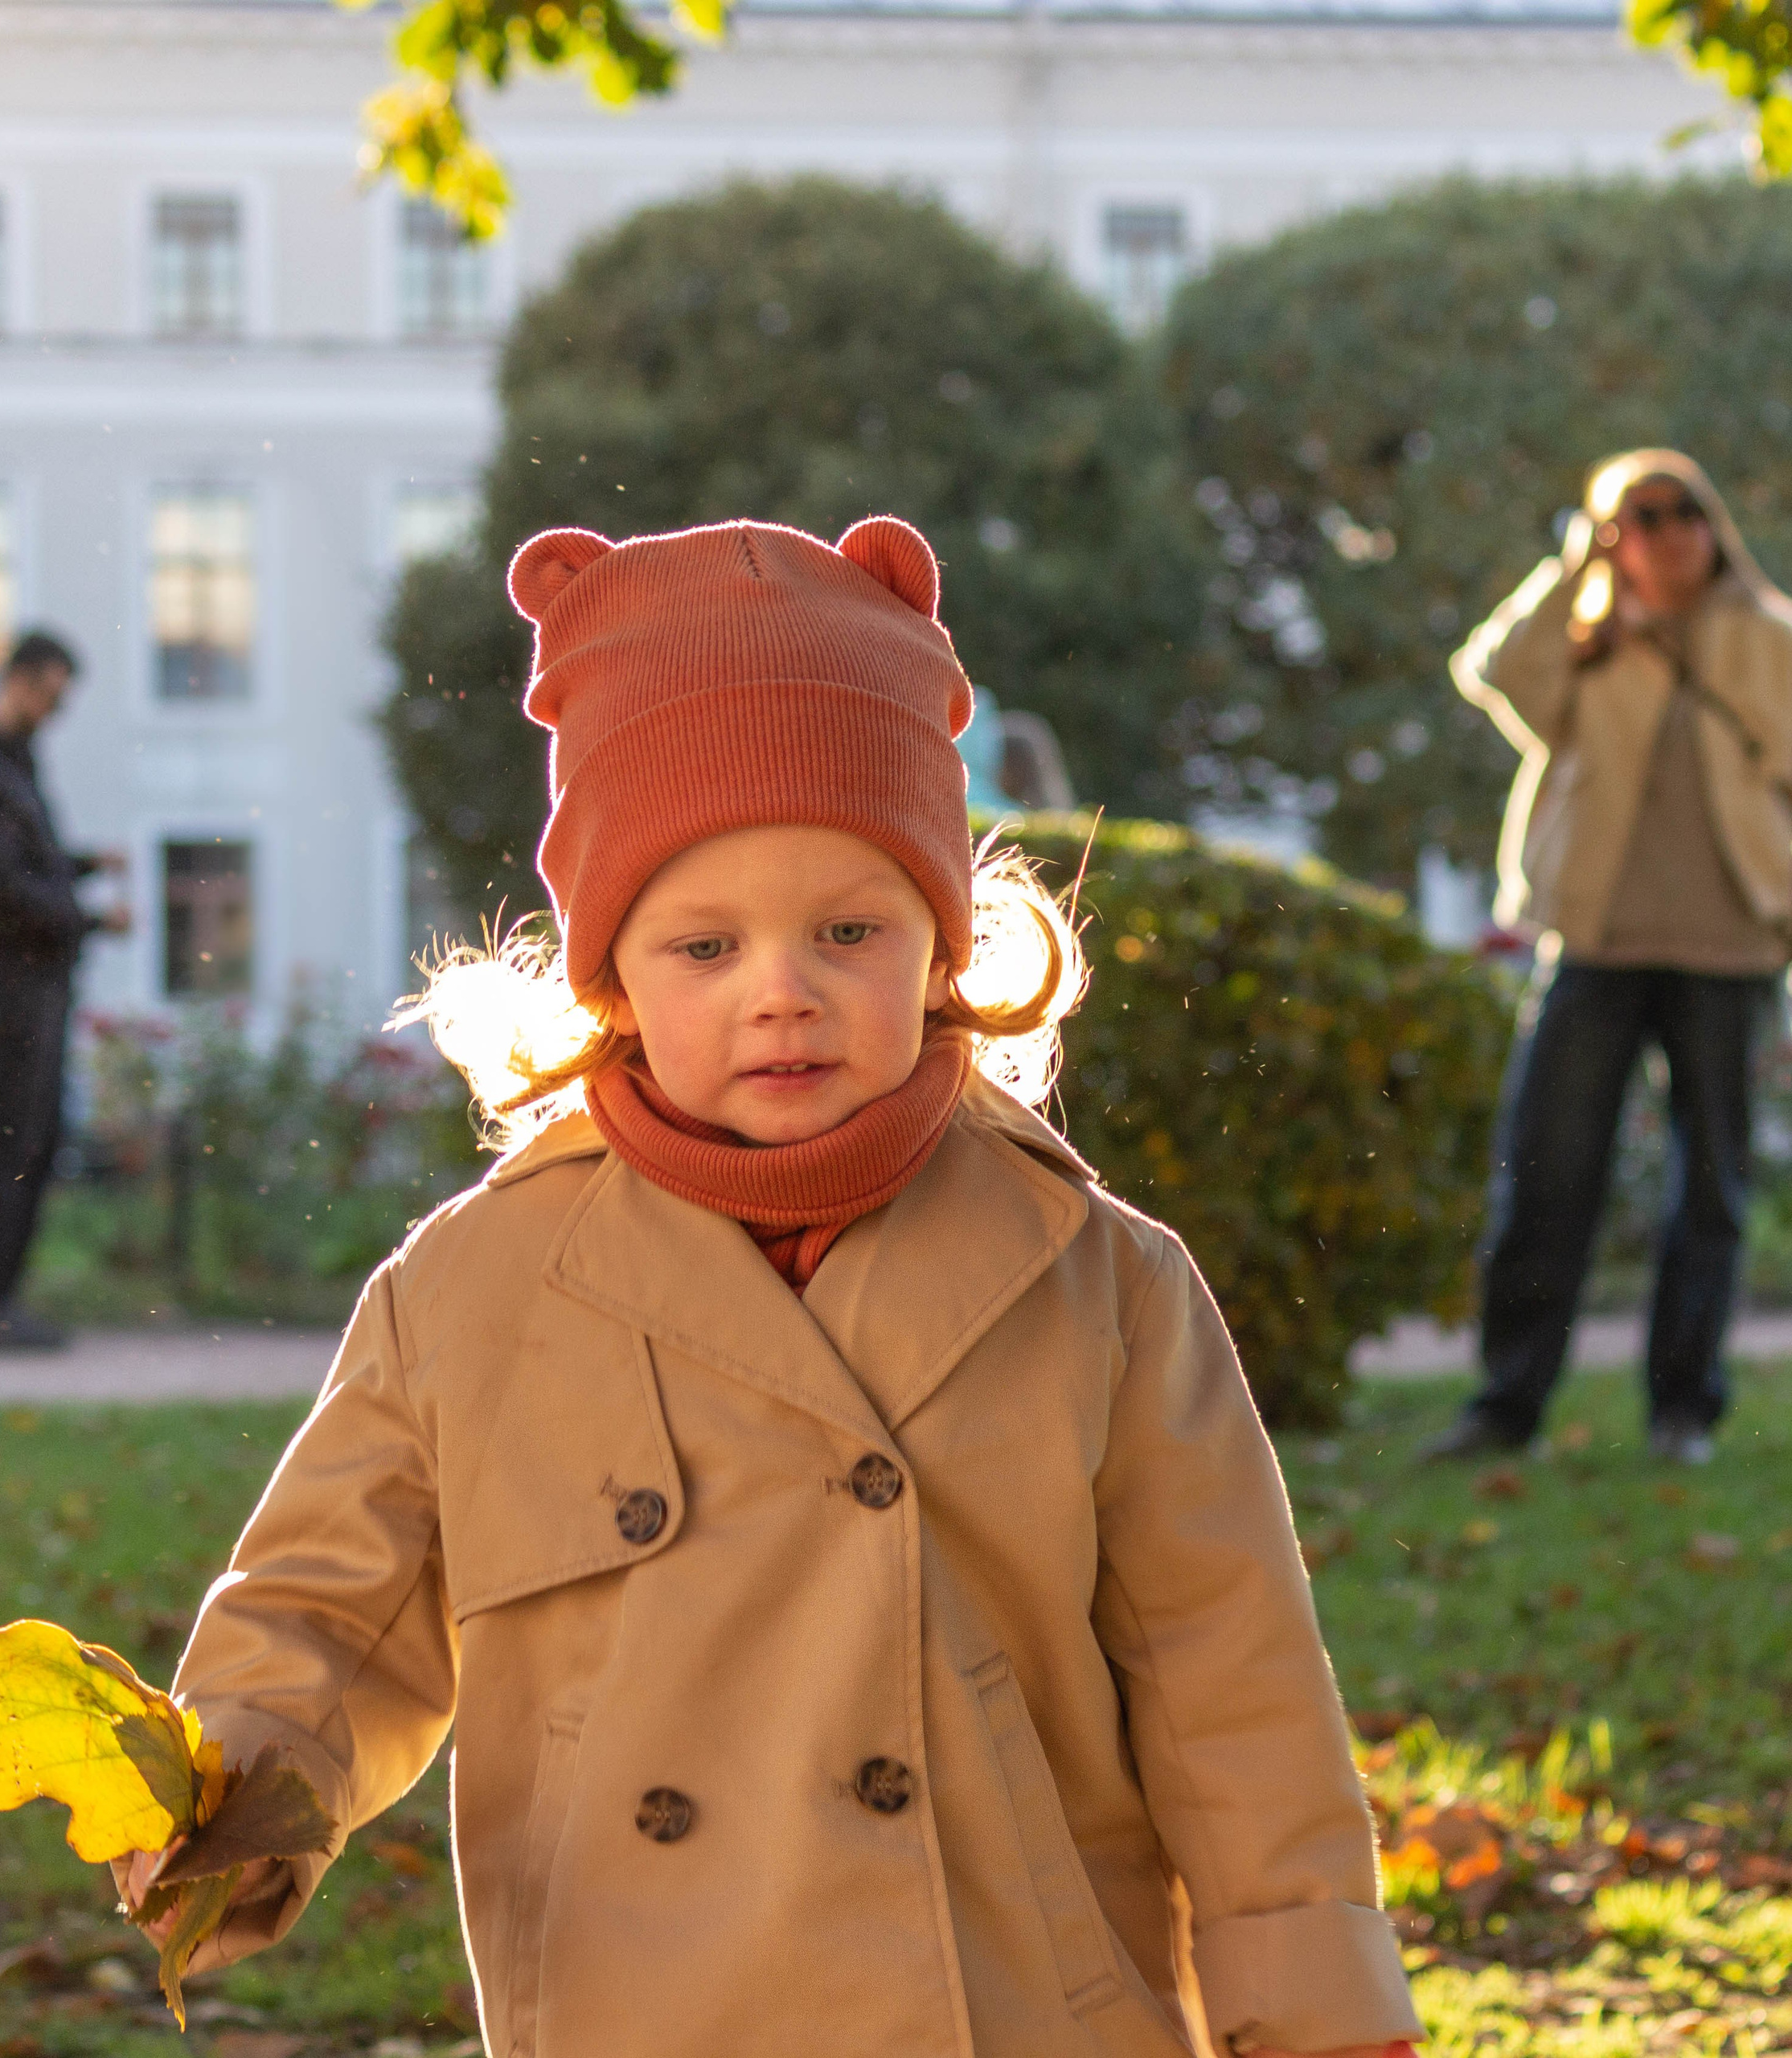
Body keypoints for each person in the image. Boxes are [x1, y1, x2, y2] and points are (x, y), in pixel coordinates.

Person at [117, 519, 1420, 2056]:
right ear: (610, 978)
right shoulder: (476, 1290)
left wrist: (1319, 2006)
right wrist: (223, 1791)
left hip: (1021, 2010)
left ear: (946, 942)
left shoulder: (1101, 1281)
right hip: (642, 2002)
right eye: (704, 943)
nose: (780, 990)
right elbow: (328, 1611)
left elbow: (1233, 1683)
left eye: (850, 930)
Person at [1429, 451, 1792, 1465]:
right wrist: (1573, 567)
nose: (1672, 529)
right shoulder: (1583, 639)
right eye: (1643, 515)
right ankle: (1506, 1406)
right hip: (1594, 940)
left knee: (1710, 1185)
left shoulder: (1769, 637)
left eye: (1688, 512)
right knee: (1546, 1170)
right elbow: (1491, 670)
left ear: (1715, 526)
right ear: (1611, 535)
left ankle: (1684, 1412)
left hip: (1731, 943)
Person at [0, 629, 127, 1353]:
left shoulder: (10, 766)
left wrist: (79, 868)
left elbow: (30, 868)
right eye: (49, 694)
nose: (56, 710)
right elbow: (3, 889)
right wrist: (91, 915)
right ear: (17, 682)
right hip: (14, 985)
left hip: (41, 981)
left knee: (35, 1139)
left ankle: (2, 1302)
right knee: (9, 1139)